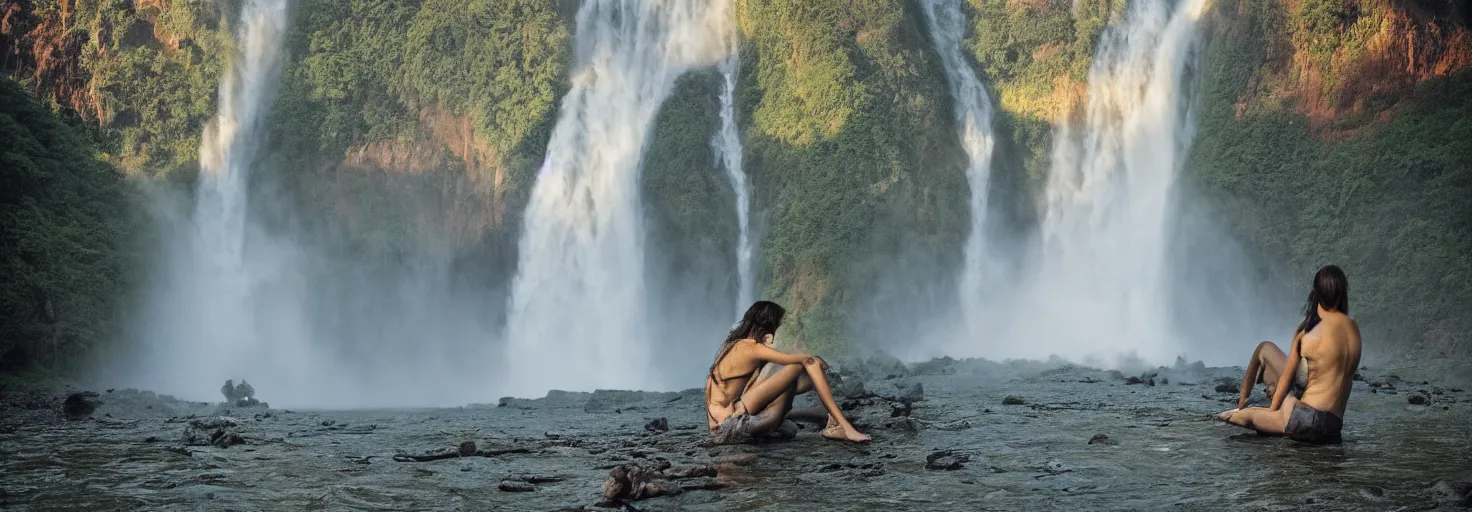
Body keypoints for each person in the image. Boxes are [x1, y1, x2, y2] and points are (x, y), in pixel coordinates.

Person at [1218, 265, 1361, 444]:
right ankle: (1259, 406)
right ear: (1342, 293)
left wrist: (1272, 411)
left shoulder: (1307, 332)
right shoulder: (1353, 329)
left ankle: (1242, 406)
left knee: (1240, 416)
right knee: (1280, 395)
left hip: (1305, 420)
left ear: (1316, 294)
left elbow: (1286, 378)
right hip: (1333, 426)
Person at [705, 301, 871, 444]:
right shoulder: (752, 349)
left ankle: (822, 413)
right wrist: (815, 363)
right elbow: (806, 360)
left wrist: (769, 349)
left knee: (788, 423)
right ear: (769, 326)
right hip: (731, 427)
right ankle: (842, 426)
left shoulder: (732, 345)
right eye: (777, 325)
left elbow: (763, 383)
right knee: (804, 365)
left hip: (720, 424)